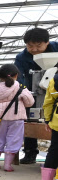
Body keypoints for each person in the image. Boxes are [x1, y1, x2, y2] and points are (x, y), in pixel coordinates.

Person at [16, 28, 58, 164]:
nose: (34, 49)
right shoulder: (21, 58)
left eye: (38, 45)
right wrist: (24, 92)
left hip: (55, 91)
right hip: (33, 93)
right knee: (30, 120)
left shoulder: (56, 48)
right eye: (30, 46)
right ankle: (30, 152)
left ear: (47, 43)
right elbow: (19, 77)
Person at [0, 64, 34, 172]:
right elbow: (30, 102)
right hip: (16, 118)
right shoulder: (20, 87)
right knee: (14, 140)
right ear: (16, 75)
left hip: (2, 119)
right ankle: (7, 165)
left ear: (0, 77)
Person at [38, 69, 58, 180]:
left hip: (57, 121)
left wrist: (47, 120)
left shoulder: (54, 80)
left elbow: (48, 102)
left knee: (55, 150)